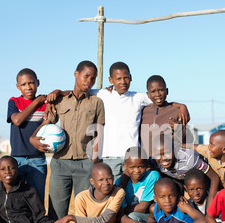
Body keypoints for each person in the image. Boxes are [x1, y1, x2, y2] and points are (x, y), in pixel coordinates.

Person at [46, 61, 190, 180]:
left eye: (126, 78)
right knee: (114, 196)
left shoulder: (138, 98)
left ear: (131, 78)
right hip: (109, 157)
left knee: (133, 195)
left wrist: (181, 106)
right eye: (118, 79)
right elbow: (79, 91)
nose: (123, 82)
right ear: (111, 80)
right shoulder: (102, 94)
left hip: (134, 157)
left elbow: (158, 97)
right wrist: (57, 92)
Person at [30, 60, 105, 220]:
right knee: (56, 213)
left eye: (93, 78)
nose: (89, 81)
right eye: (86, 76)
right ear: (76, 74)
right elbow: (46, 122)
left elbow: (99, 131)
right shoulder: (60, 100)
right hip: (60, 164)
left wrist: (95, 160)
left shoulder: (97, 102)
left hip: (86, 164)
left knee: (84, 213)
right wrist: (33, 137)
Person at [109, 146, 161, 223]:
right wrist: (123, 214)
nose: (137, 170)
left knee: (132, 216)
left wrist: (123, 210)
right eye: (132, 167)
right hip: (133, 220)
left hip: (152, 217)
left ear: (146, 164)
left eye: (141, 166)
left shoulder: (152, 176)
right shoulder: (119, 183)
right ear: (125, 166)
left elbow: (143, 208)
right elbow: (119, 215)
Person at [7, 68, 48, 203]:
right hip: (17, 160)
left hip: (38, 159)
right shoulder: (14, 102)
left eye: (31, 83)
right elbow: (17, 120)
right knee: (17, 199)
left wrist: (55, 93)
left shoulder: (45, 105)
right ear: (18, 87)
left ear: (38, 83)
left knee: (37, 199)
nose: (28, 87)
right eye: (23, 84)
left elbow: (47, 123)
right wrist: (36, 102)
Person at [150, 133, 220, 205]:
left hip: (203, 183)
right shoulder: (154, 162)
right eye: (158, 154)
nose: (163, 158)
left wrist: (210, 202)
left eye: (167, 153)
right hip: (182, 182)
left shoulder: (190, 159)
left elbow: (214, 177)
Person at [140, 75, 192, 157]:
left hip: (168, 161)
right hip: (147, 163)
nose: (157, 94)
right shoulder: (143, 111)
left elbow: (186, 139)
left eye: (161, 90)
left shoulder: (176, 111)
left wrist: (178, 128)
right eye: (153, 91)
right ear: (148, 94)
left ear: (167, 91)